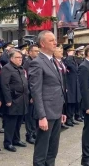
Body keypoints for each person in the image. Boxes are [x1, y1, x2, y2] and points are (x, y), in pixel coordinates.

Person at [29, 30, 66, 166]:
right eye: (51, 40)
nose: (55, 42)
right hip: (46, 113)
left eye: (55, 40)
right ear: (42, 43)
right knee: (42, 149)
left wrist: (62, 111)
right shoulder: (37, 62)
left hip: (56, 111)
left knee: (52, 149)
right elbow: (36, 91)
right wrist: (41, 116)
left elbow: (58, 88)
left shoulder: (53, 61)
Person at [0, 49, 29, 152]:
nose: (20, 59)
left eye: (21, 58)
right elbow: (5, 85)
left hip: (22, 99)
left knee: (18, 121)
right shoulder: (7, 68)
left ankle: (16, 139)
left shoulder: (20, 68)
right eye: (18, 57)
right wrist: (8, 99)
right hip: (13, 99)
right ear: (11, 58)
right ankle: (8, 142)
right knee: (11, 122)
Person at [23, 44, 40, 144]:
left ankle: (34, 132)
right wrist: (32, 95)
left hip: (36, 92)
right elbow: (29, 80)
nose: (37, 53)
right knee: (30, 115)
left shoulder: (34, 62)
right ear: (29, 52)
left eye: (38, 51)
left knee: (34, 114)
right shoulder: (28, 63)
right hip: (30, 93)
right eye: (35, 51)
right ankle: (29, 134)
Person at [62, 44, 81, 127]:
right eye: (72, 51)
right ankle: (68, 119)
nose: (73, 52)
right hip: (70, 85)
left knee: (74, 102)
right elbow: (72, 68)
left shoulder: (73, 60)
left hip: (75, 84)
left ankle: (71, 118)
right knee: (70, 102)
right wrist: (69, 56)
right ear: (68, 52)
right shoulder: (67, 60)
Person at [53, 45, 70, 130]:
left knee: (63, 105)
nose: (61, 53)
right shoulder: (54, 62)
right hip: (58, 88)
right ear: (54, 53)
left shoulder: (61, 62)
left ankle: (62, 122)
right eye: (59, 52)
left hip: (63, 87)